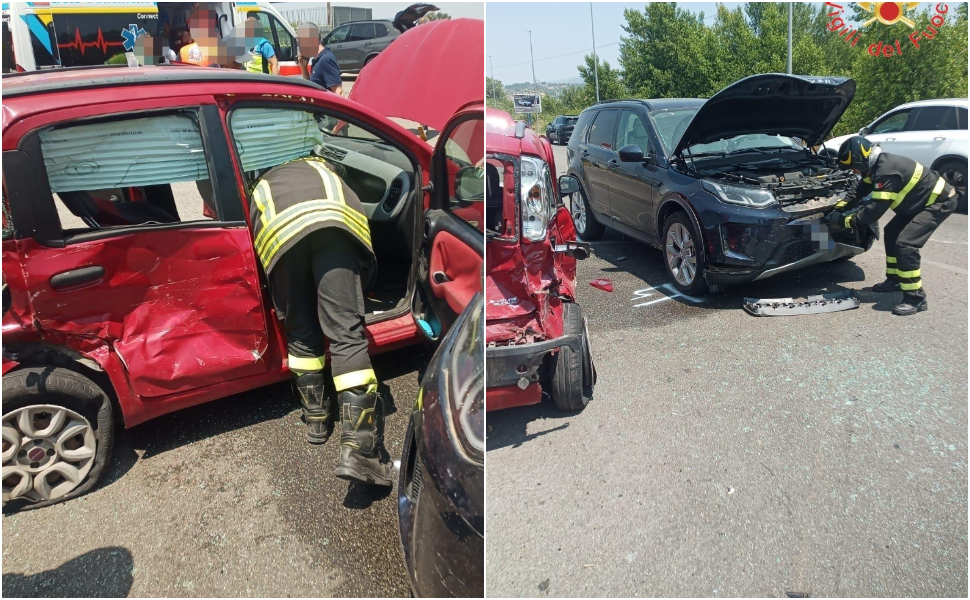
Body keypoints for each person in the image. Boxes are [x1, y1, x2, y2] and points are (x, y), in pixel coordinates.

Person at [249, 156, 392, 487]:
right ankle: (360, 452)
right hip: (330, 228)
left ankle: (316, 419)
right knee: (346, 335)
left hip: (280, 239)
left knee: (299, 331)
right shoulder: (324, 168)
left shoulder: (263, 183)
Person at [827, 135, 958, 316]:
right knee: (891, 232)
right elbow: (860, 190)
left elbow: (873, 211)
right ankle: (895, 280)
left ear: (860, 159)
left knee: (906, 244)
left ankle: (916, 298)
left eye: (854, 167)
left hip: (938, 202)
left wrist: (844, 221)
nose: (854, 171)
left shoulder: (886, 173)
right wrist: (841, 206)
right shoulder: (874, 167)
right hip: (919, 201)